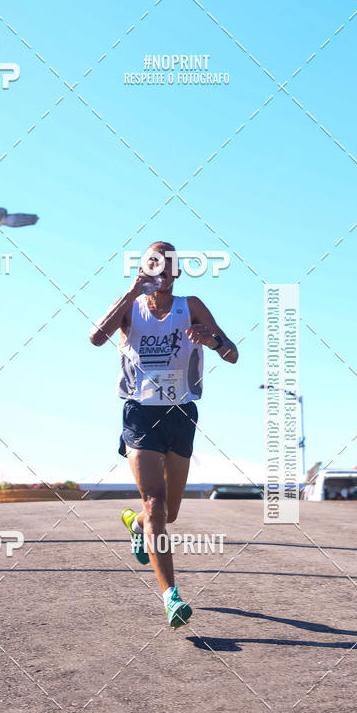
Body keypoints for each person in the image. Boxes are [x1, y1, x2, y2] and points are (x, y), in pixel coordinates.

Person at [89, 242, 238, 628]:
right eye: (151, 266)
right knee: (155, 503)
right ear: (143, 270)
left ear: (176, 274)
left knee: (167, 514)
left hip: (181, 414)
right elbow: (95, 338)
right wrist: (129, 292)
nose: (159, 273)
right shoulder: (131, 306)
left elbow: (233, 353)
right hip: (139, 414)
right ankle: (171, 595)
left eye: (166, 267)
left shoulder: (192, 305)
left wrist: (213, 340)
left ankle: (137, 525)